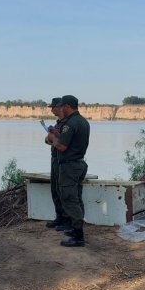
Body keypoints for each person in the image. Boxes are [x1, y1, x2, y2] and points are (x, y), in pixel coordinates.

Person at [48, 95, 90, 247]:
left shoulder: (70, 123)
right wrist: (58, 135)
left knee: (69, 199)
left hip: (69, 166)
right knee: (76, 197)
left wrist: (53, 138)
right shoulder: (83, 121)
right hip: (79, 164)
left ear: (67, 106)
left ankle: (78, 237)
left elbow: (62, 147)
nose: (60, 109)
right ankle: (75, 229)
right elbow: (70, 141)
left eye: (62, 106)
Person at [44, 97, 70, 231]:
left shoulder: (67, 123)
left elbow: (63, 142)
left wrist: (53, 139)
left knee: (62, 190)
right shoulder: (58, 123)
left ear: (59, 107)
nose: (51, 109)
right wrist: (51, 138)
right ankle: (59, 218)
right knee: (54, 189)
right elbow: (47, 139)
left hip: (62, 159)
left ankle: (66, 220)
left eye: (52, 107)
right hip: (54, 158)